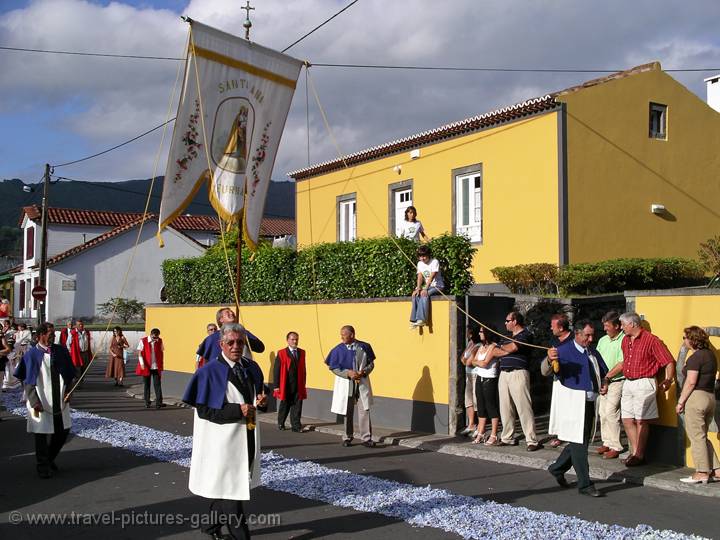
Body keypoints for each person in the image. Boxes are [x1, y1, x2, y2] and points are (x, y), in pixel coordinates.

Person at [182, 323, 266, 540]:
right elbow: (205, 410)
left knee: (228, 488)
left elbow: (258, 398)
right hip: (223, 443)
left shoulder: (250, 367)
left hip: (247, 436)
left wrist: (262, 402)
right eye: (231, 342)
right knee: (232, 495)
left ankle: (209, 528)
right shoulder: (208, 372)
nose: (236, 346)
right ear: (221, 344)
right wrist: (237, 410)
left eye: (240, 342)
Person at [548, 319, 609, 497]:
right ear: (577, 334)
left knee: (579, 440)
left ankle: (557, 468)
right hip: (572, 401)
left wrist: (604, 382)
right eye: (587, 335)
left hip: (589, 401)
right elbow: (549, 370)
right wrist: (549, 359)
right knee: (580, 444)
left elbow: (602, 372)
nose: (590, 339)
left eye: (592, 335)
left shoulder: (592, 352)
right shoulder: (563, 351)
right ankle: (585, 484)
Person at [14, 322, 75, 478]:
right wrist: (34, 401)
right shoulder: (31, 355)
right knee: (41, 434)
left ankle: (49, 458)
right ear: (40, 335)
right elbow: (27, 382)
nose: (53, 336)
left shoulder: (60, 351)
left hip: (59, 399)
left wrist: (69, 391)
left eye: (54, 333)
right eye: (50, 333)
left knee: (62, 432)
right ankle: (42, 466)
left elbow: (69, 375)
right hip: (41, 400)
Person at [618, 312, 675, 467]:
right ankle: (635, 453)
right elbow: (625, 361)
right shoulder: (625, 340)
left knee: (642, 420)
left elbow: (668, 361)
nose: (621, 328)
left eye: (623, 324)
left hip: (644, 382)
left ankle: (639, 454)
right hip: (628, 382)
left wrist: (668, 379)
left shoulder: (651, 340)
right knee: (627, 419)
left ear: (633, 324)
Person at [675, 326, 720, 484]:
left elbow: (691, 381)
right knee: (703, 436)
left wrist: (681, 401)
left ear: (692, 340)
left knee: (696, 437)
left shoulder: (695, 358)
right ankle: (717, 470)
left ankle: (701, 472)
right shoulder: (710, 355)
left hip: (697, 398)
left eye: (685, 338)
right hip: (710, 397)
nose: (684, 341)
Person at [493, 311, 542, 451]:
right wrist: (507, 350)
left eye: (507, 320)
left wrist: (507, 349)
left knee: (523, 407)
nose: (505, 323)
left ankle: (531, 440)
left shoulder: (526, 334)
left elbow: (514, 347)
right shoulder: (506, 337)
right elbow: (495, 352)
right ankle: (507, 437)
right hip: (504, 374)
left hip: (518, 373)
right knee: (505, 407)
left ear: (515, 321)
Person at [326, 325, 377, 448]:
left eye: (344, 334)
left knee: (364, 410)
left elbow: (371, 364)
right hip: (346, 383)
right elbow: (333, 368)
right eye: (341, 334)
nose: (341, 336)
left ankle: (366, 438)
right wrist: (347, 373)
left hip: (362, 383)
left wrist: (363, 372)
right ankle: (347, 436)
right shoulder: (337, 349)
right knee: (346, 411)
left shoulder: (364, 347)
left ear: (352, 335)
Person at [594, 311, 626, 460]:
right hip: (604, 381)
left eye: (608, 327)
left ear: (617, 326)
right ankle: (607, 441)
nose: (605, 329)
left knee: (611, 412)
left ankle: (616, 446)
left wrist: (607, 377)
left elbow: (622, 364)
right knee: (602, 412)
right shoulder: (603, 340)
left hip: (617, 380)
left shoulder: (624, 340)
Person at [541, 313, 573, 448]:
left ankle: (571, 436)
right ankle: (560, 435)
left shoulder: (573, 340)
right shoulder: (554, 342)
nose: (550, 328)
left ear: (561, 328)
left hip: (572, 380)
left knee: (570, 409)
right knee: (559, 409)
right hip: (558, 379)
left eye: (553, 326)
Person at [196, 307, 264, 367]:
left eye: (232, 312)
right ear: (221, 319)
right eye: (227, 312)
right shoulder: (211, 338)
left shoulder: (244, 333)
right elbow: (205, 362)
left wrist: (242, 336)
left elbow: (260, 348)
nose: (231, 313)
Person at [471, 325, 501, 446]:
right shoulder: (481, 346)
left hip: (490, 379)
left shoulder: (493, 346)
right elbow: (473, 361)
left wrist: (478, 362)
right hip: (480, 378)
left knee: (491, 406)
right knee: (481, 406)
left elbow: (484, 363)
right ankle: (481, 432)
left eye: (481, 331)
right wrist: (478, 362)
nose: (479, 333)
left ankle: (494, 434)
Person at [273, 331, 307, 432]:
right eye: (292, 339)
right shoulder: (281, 353)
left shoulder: (302, 352)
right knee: (285, 404)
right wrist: (276, 385)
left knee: (297, 405)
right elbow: (276, 370)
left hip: (298, 383)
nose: (295, 341)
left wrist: (304, 381)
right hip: (286, 384)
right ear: (287, 340)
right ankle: (281, 422)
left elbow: (303, 368)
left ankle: (296, 426)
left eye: (296, 339)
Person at [410, 245, 444, 328]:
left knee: (424, 294)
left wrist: (425, 289)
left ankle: (422, 319)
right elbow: (420, 277)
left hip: (437, 286)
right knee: (415, 295)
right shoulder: (420, 264)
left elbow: (432, 276)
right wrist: (418, 288)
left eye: (424, 256)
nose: (422, 258)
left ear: (429, 255)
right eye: (420, 256)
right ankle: (414, 320)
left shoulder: (434, 262)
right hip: (428, 286)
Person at [459, 325, 480, 436]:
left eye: (468, 331)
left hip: (475, 375)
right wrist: (466, 360)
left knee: (476, 400)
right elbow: (462, 358)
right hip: (468, 374)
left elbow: (467, 362)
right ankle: (471, 424)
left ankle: (479, 425)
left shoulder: (478, 345)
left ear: (471, 333)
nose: (466, 333)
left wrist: (466, 360)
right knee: (468, 400)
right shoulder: (470, 344)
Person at [136, 328, 165, 409]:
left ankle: (159, 403)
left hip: (156, 366)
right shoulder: (143, 341)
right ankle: (147, 402)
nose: (156, 339)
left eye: (157, 337)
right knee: (147, 385)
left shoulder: (160, 341)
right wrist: (142, 364)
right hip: (146, 366)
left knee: (157, 385)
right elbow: (139, 353)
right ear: (151, 335)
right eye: (155, 337)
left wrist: (161, 365)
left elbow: (162, 351)